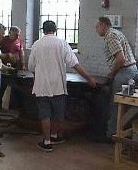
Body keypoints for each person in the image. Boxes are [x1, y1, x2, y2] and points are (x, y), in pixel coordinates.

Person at [28, 20, 97, 152]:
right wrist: (89, 78)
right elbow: (74, 64)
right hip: (58, 85)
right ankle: (54, 135)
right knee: (57, 113)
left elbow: (31, 66)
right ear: (55, 30)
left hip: (42, 86)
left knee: (45, 114)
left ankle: (47, 142)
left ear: (43, 30)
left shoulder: (37, 44)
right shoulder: (62, 43)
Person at [95, 17, 138, 142]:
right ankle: (120, 133)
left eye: (97, 25)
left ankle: (112, 136)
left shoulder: (111, 36)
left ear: (103, 25)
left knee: (116, 105)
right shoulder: (117, 33)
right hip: (131, 70)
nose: (96, 28)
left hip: (124, 72)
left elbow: (121, 59)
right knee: (123, 105)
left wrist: (112, 74)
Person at [0, 26, 25, 111]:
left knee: (16, 86)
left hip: (16, 66)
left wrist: (23, 64)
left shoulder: (19, 40)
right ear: (10, 33)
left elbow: (21, 52)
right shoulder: (3, 40)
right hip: (5, 67)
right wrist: (1, 65)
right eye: (15, 35)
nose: (17, 36)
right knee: (2, 86)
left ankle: (14, 106)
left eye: (18, 35)